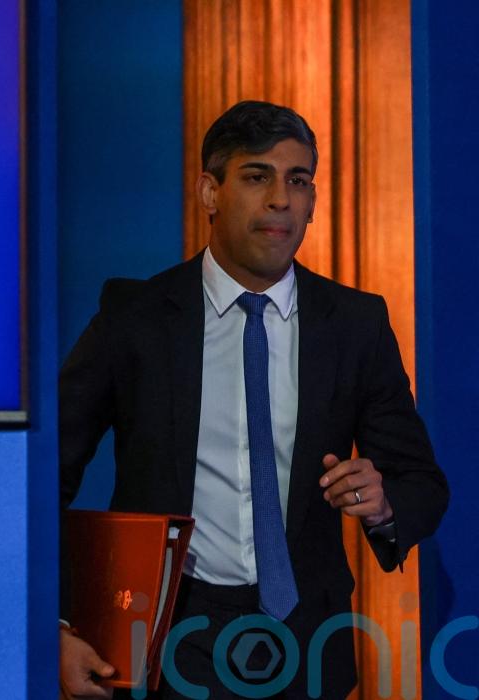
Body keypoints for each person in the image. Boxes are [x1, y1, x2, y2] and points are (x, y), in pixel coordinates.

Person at [57, 101, 448, 699]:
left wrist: (383, 502)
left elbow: (420, 482)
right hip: (169, 637)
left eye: (299, 181)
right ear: (210, 192)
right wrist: (56, 624)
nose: (280, 200)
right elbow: (42, 478)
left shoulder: (355, 324)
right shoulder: (135, 318)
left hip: (307, 645)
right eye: (257, 176)